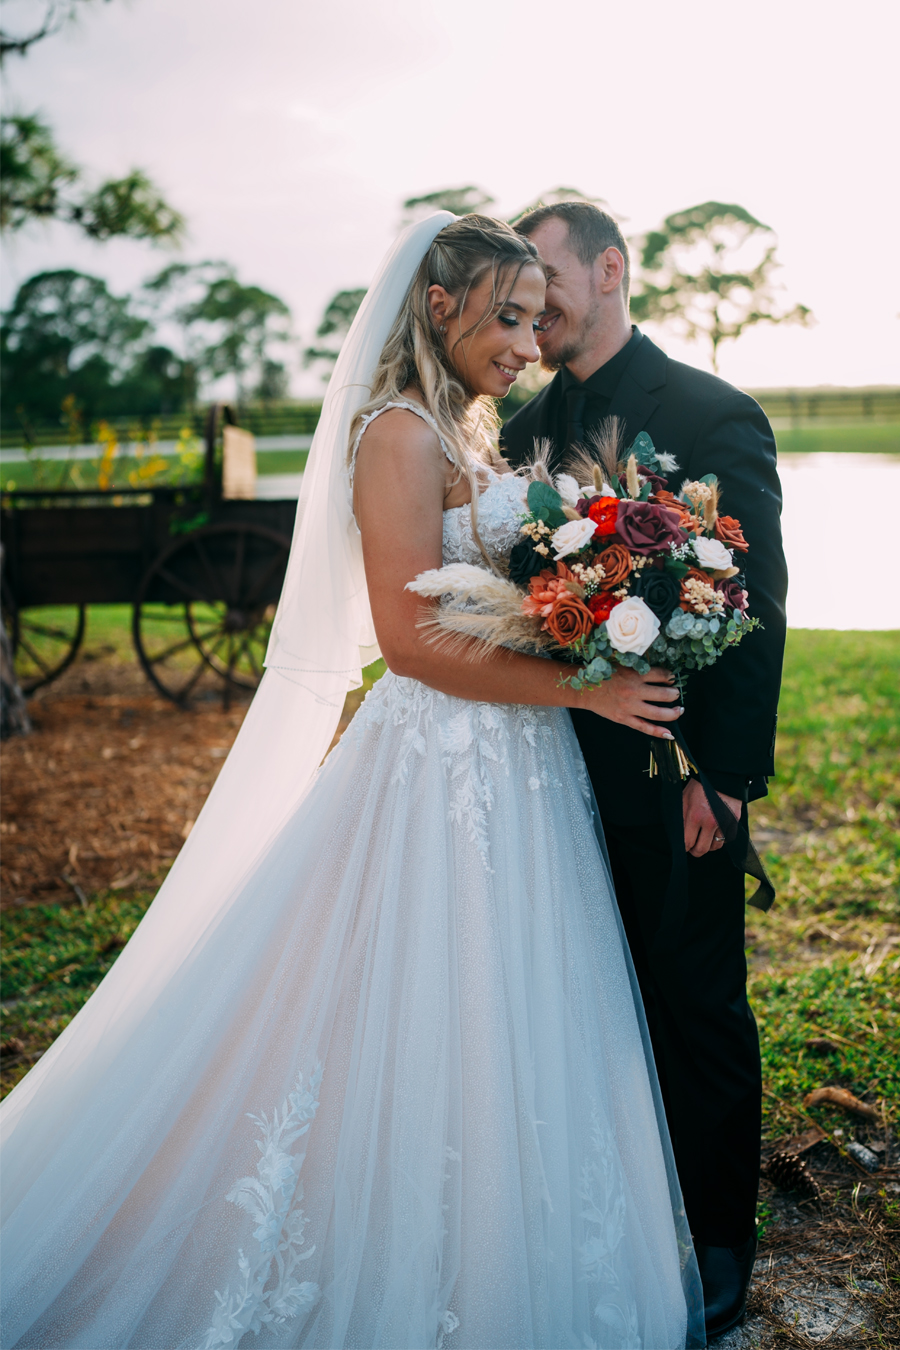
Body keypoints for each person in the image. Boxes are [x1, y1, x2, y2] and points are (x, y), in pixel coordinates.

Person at [1, 214, 705, 1350]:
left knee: (517, 1007)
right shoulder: (396, 435)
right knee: (418, 1002)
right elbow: (412, 641)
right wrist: (583, 689)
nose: (530, 343)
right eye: (509, 318)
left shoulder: (465, 430)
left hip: (518, 772)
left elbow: (490, 599)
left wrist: (586, 611)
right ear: (441, 308)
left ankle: (508, 1249)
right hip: (441, 765)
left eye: (537, 318)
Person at [501, 200, 788, 1342]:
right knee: (585, 1000)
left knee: (697, 998)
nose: (536, 303)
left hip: (680, 779)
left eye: (550, 275)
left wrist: (726, 779)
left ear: (612, 269)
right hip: (552, 775)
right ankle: (620, 1211)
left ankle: (720, 1239)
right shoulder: (521, 430)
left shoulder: (713, 413)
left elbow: (760, 608)